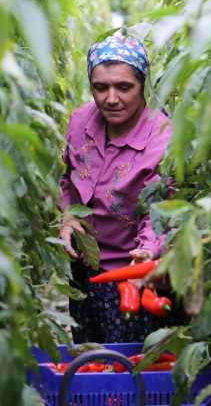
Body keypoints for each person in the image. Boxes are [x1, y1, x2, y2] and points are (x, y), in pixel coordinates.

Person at [58, 32, 176, 343]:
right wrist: (69, 216)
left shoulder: (161, 138)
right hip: (83, 269)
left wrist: (148, 251)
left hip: (131, 276)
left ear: (142, 85)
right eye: (100, 87)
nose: (111, 98)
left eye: (124, 87)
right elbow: (67, 178)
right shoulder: (80, 122)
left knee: (129, 365)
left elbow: (161, 207)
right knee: (90, 357)